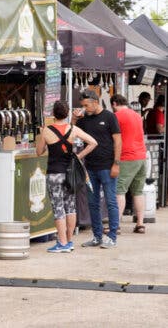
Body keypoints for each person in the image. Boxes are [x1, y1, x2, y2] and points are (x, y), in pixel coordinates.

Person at [36, 100, 98, 253]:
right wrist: (78, 156)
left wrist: (42, 136)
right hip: (70, 173)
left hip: (54, 174)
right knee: (70, 207)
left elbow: (39, 152)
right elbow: (93, 142)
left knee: (58, 208)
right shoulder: (73, 128)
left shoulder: (46, 130)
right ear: (67, 113)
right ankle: (69, 241)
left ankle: (62, 243)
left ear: (53, 113)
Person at [73, 89, 122, 249]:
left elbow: (118, 141)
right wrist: (74, 118)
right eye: (82, 105)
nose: (84, 108)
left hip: (107, 166)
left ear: (95, 102)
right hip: (90, 167)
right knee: (93, 203)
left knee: (111, 201)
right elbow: (72, 133)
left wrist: (116, 164)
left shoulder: (109, 117)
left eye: (86, 105)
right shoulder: (84, 119)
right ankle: (97, 236)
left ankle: (112, 237)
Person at [111, 94, 148, 234]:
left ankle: (116, 225)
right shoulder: (137, 115)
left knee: (119, 190)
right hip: (141, 156)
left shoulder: (116, 116)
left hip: (126, 156)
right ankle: (140, 224)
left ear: (114, 104)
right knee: (138, 192)